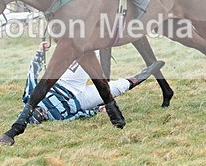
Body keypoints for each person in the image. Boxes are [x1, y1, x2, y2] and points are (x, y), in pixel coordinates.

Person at [21, 42, 165, 124]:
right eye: (41, 117)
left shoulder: (29, 98)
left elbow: (32, 74)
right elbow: (78, 115)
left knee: (86, 53)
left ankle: (99, 32)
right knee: (116, 89)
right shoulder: (57, 119)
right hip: (81, 100)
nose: (41, 113)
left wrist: (40, 52)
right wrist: (96, 110)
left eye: (36, 112)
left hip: (66, 83)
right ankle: (148, 71)